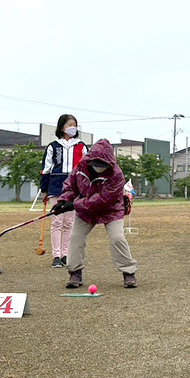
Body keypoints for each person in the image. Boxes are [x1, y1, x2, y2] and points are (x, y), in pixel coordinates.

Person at [53, 139, 139, 289]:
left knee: (117, 238)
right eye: (96, 163)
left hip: (111, 210)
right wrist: (63, 201)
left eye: (103, 164)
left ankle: (128, 272)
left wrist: (73, 204)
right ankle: (75, 272)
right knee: (75, 238)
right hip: (85, 212)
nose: (99, 167)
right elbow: (70, 185)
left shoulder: (116, 174)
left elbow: (103, 200)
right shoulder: (81, 167)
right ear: (90, 159)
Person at [39, 114, 87, 268]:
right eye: (69, 125)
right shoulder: (53, 146)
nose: (73, 128)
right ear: (61, 128)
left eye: (75, 125)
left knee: (69, 222)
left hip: (75, 187)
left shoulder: (81, 146)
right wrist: (44, 189)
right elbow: (46, 169)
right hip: (56, 186)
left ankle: (66, 254)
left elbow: (87, 167)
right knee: (57, 221)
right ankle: (56, 255)